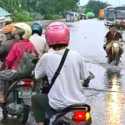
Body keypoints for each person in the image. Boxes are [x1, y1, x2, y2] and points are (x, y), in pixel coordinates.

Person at [32, 22, 94, 125]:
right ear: (67, 37)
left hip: (58, 105)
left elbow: (37, 75)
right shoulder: (77, 55)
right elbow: (85, 76)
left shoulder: (46, 57)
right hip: (79, 104)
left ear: (48, 39)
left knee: (36, 98)